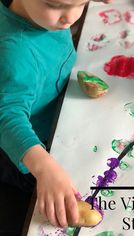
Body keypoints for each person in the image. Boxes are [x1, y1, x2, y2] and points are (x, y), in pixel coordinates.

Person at [0, 0, 112, 228]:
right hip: (20, 150)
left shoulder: (41, 16)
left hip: (55, 115)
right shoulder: (16, 52)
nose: (70, 17)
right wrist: (45, 169)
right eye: (54, 5)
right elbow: (6, 117)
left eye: (81, 3)